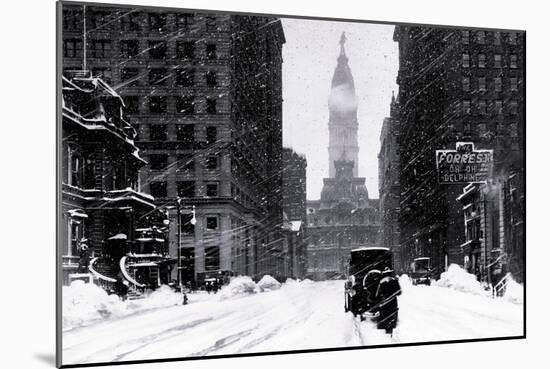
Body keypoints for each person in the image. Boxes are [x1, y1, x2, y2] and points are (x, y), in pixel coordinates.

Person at [374, 267, 402, 335]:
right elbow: (399, 292)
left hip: (384, 305)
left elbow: (377, 295)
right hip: (393, 304)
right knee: (392, 319)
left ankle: (385, 331)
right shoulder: (394, 280)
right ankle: (390, 329)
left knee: (384, 319)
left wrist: (382, 298)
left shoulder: (381, 282)